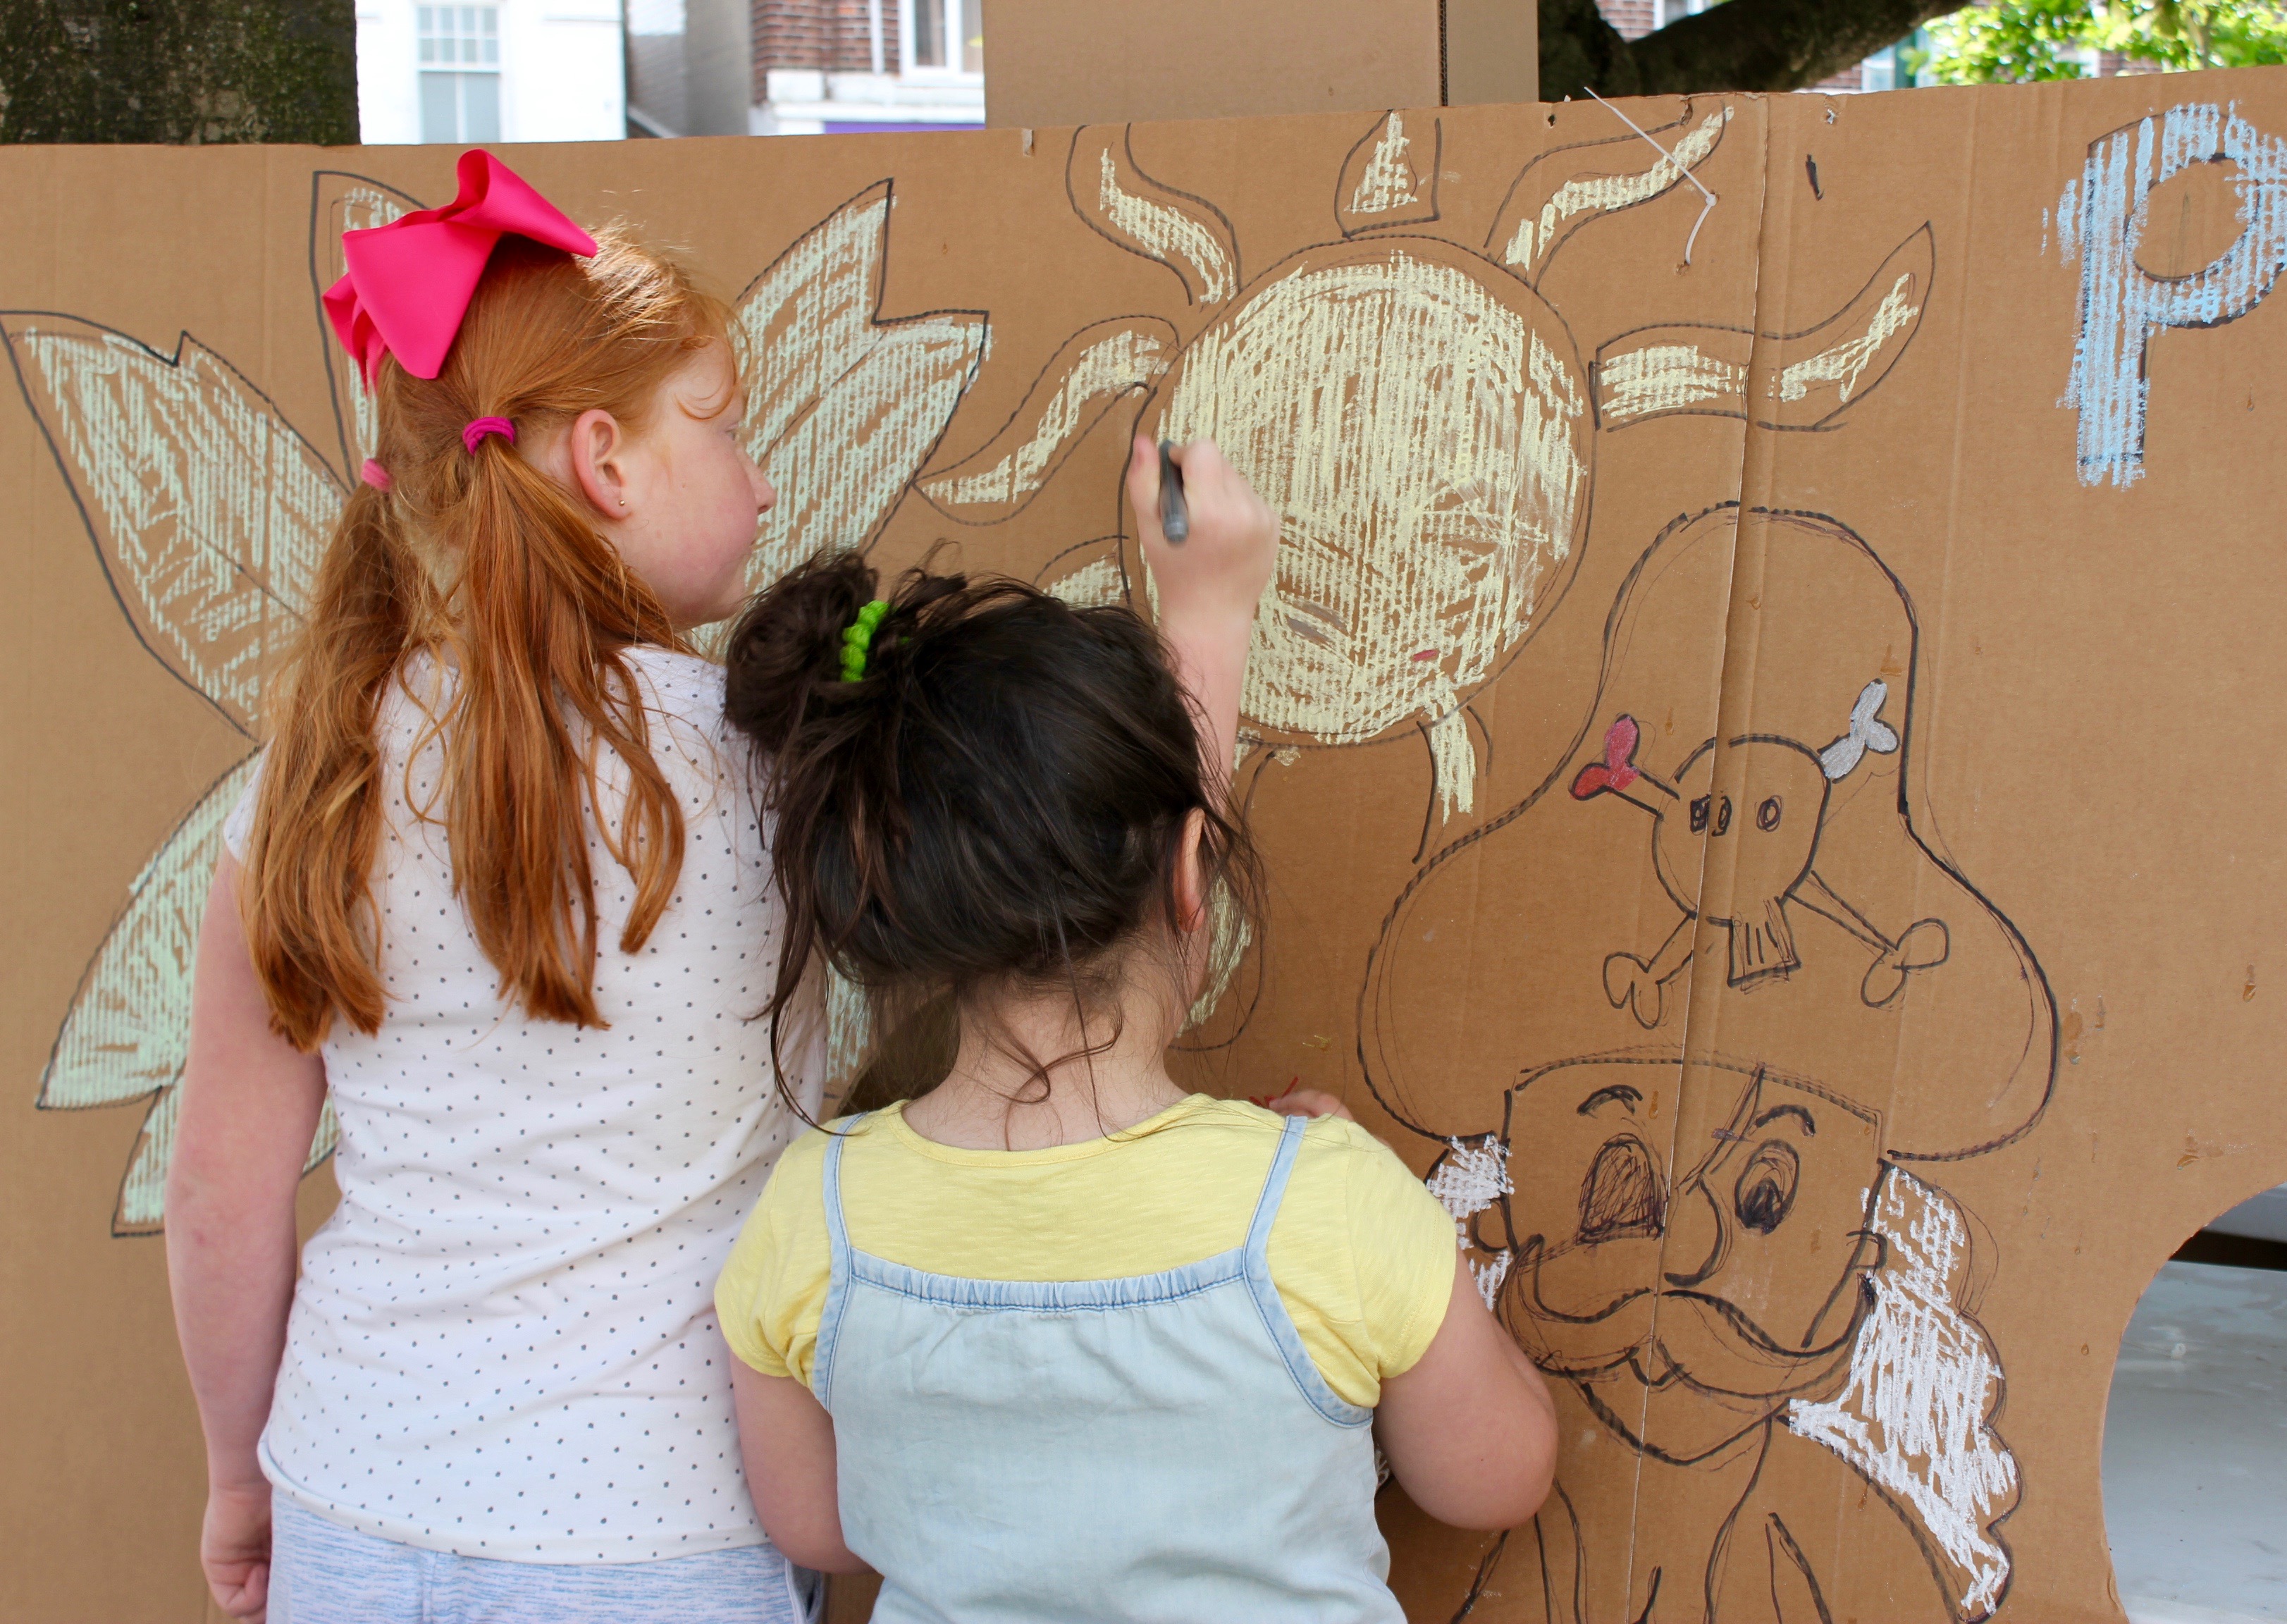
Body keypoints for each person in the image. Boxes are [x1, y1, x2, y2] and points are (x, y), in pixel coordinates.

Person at [714, 438, 1560, 1622]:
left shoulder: (816, 1213)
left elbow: (819, 1529)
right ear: (1189, 876)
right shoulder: (1324, 1205)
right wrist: (1407, 1242)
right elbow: (1496, 1476)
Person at [165, 151, 811, 1624]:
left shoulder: (320, 772)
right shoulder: (765, 764)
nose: (761, 477)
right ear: (605, 460)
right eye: (722, 429)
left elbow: (218, 1192)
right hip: (661, 1527)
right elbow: (1057, 907)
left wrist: (237, 1478)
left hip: (352, 1503)